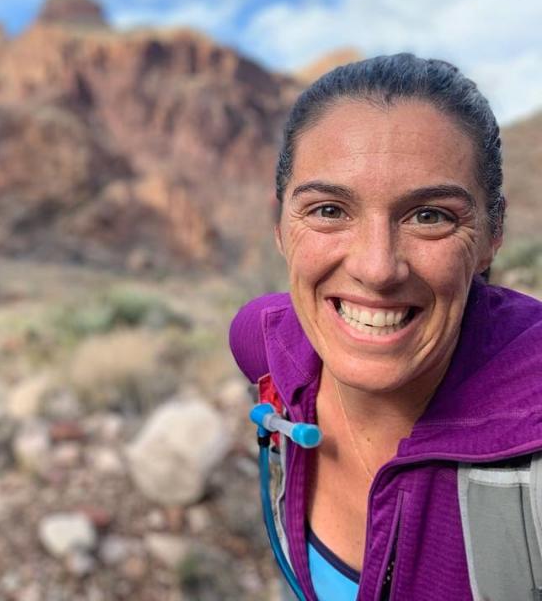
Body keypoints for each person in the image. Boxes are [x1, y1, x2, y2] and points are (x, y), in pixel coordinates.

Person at [229, 53, 542, 601]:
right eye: (329, 210)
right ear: (281, 227)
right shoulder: (263, 340)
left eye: (430, 216)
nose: (376, 268)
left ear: (493, 235)